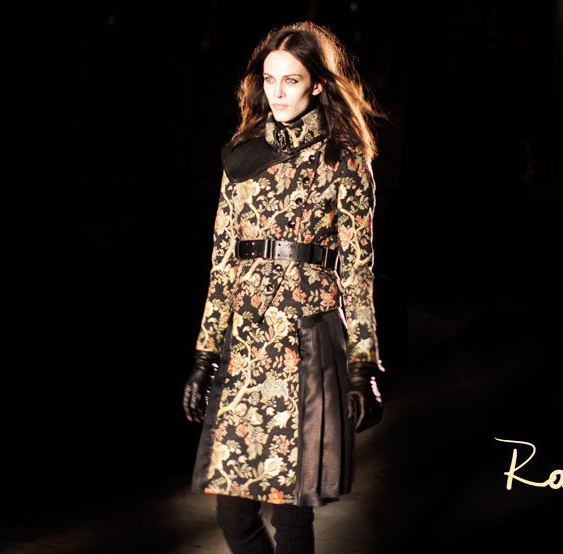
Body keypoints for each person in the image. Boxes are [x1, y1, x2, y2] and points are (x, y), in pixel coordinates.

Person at [181, 21, 385, 554]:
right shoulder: (241, 157)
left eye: (290, 80)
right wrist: (205, 355)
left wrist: (363, 365)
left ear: (318, 84)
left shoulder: (344, 160)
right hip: (246, 348)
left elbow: (358, 270)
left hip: (306, 342)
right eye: (269, 79)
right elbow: (222, 265)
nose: (277, 92)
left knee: (291, 515)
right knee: (232, 514)